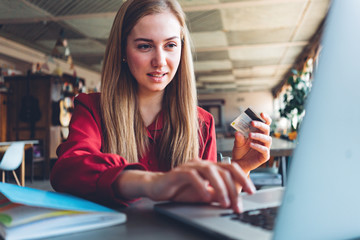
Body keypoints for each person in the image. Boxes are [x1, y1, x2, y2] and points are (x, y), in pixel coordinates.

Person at [50, 0, 272, 214]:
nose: (160, 61)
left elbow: (207, 202)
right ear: (122, 51)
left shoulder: (202, 123)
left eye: (170, 45)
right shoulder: (92, 109)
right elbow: (68, 169)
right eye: (145, 46)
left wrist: (241, 167)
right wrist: (152, 182)